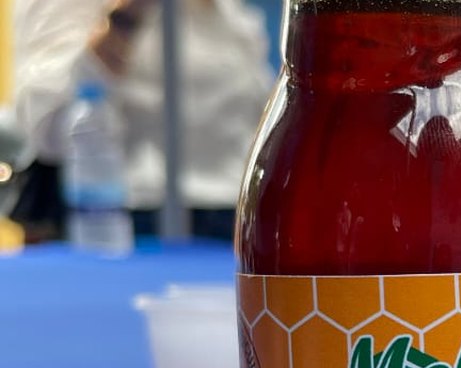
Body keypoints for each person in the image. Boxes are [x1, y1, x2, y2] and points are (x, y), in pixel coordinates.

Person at [14, 0, 274, 240]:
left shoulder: (230, 14)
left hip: (238, 219)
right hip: (125, 221)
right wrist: (127, 16)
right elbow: (48, 130)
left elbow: (258, 121)